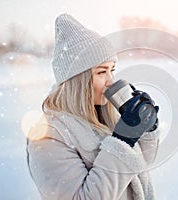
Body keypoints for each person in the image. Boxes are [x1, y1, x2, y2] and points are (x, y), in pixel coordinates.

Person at [26, 13, 160, 200]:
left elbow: (139, 166)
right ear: (78, 80)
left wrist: (145, 128)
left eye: (111, 70)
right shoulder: (49, 135)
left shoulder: (103, 114)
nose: (110, 81)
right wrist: (122, 140)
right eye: (102, 72)